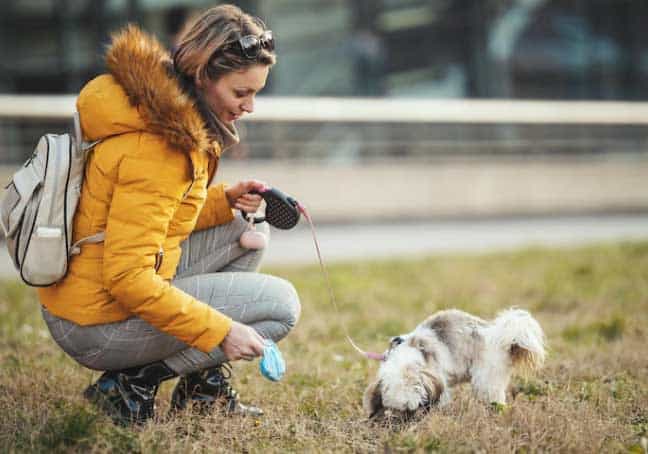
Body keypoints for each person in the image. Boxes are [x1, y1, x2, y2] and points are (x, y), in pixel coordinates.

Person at [37, 4, 301, 425]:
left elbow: (151, 221)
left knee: (241, 227)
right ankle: (128, 386)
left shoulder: (165, 116)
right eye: (241, 93)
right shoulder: (158, 147)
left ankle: (202, 391)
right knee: (281, 306)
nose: (250, 106)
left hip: (85, 297)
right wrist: (221, 331)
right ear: (202, 77)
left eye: (256, 93)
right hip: (94, 324)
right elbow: (127, 277)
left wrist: (224, 201)